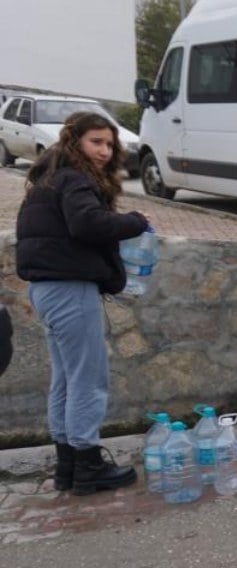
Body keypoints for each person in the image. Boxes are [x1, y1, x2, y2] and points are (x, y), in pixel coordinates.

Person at [15, 111, 149, 496]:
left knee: (65, 378)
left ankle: (68, 466)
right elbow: (87, 225)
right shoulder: (75, 179)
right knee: (89, 379)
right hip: (69, 288)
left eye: (110, 144)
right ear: (74, 141)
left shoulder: (48, 179)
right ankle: (87, 465)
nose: (105, 151)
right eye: (96, 142)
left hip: (45, 288)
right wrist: (135, 222)